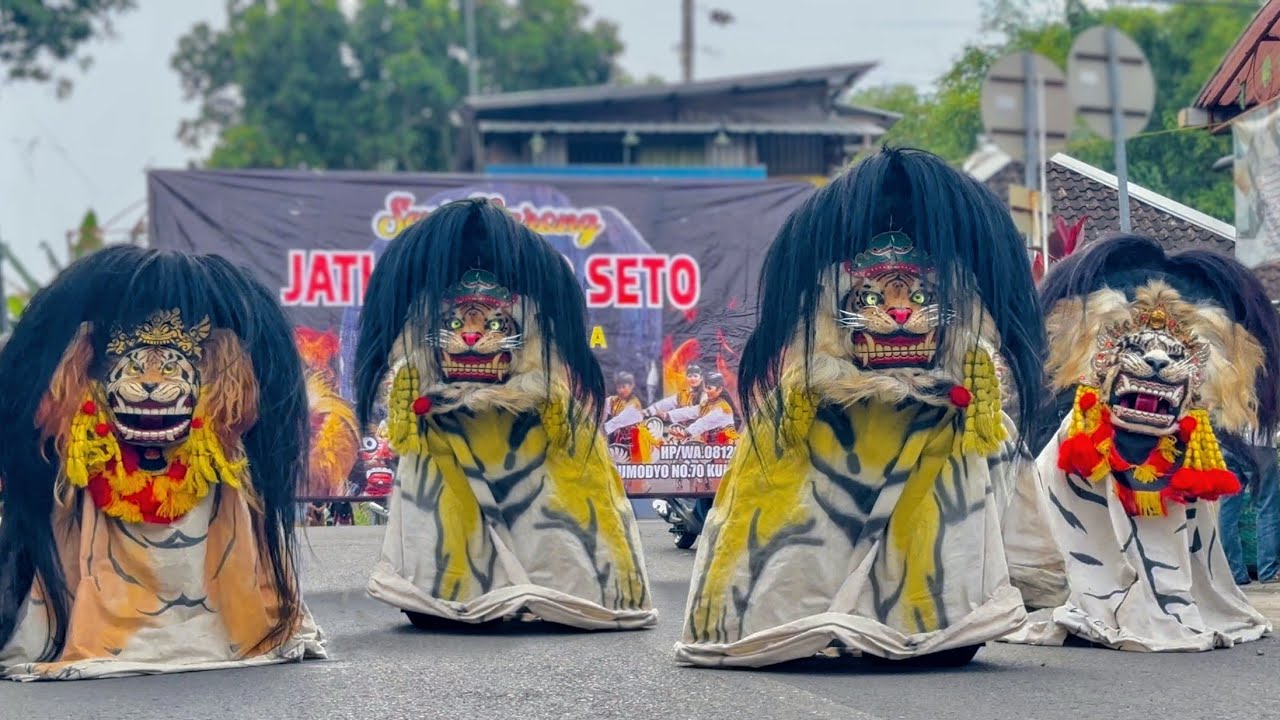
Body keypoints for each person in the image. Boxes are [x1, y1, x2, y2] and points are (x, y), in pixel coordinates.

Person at [675, 147, 1045, 668]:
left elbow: (1026, 531)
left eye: (921, 297)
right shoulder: (790, 420)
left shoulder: (978, 422)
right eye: (871, 299)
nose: (899, 313)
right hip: (826, 442)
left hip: (943, 613)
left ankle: (937, 617)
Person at [0, 246, 325, 681]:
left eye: (170, 367)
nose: (152, 383)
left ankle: (218, 623)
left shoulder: (223, 413)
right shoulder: (83, 416)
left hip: (204, 490)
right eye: (136, 368)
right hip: (105, 490)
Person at [354, 198, 656, 630]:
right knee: (446, 523)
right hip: (447, 435)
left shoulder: (537, 332)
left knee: (549, 521)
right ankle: (444, 591)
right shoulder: (427, 338)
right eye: (457, 322)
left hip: (525, 434)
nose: (471, 336)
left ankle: (549, 586)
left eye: (490, 323)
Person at [1003, 235, 1280, 651]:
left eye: (1173, 351)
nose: (1156, 361)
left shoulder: (1191, 439)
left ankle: (1163, 599)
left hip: (1167, 448)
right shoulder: (1076, 429)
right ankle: (1102, 597)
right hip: (1094, 455)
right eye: (1137, 347)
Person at [1219, 429, 1280, 585]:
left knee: (1228, 510)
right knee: (1266, 507)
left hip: (1228, 444)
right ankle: (1268, 571)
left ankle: (1236, 573)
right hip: (1261, 445)